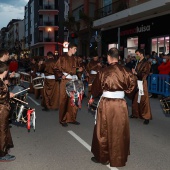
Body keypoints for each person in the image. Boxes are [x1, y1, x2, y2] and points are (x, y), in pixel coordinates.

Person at [90, 47, 137, 167]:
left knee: (103, 130)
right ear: (119, 57)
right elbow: (132, 88)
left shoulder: (103, 71)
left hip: (106, 102)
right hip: (120, 103)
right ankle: (119, 157)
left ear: (109, 57)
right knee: (119, 130)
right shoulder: (127, 71)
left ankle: (103, 156)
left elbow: (96, 88)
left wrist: (92, 97)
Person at [54, 43, 83, 127]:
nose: (75, 50)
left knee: (74, 100)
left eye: (76, 49)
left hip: (74, 80)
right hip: (65, 81)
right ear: (70, 48)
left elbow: (77, 70)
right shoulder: (62, 58)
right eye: (75, 49)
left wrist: (79, 70)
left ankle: (72, 118)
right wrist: (60, 75)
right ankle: (62, 120)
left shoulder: (76, 58)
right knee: (64, 100)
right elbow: (56, 68)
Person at [130, 48, 152, 125]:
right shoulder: (137, 62)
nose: (136, 56)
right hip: (137, 82)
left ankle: (146, 117)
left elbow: (145, 73)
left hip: (142, 83)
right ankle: (135, 114)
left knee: (144, 99)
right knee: (136, 98)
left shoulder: (146, 63)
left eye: (137, 54)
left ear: (141, 54)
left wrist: (136, 73)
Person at [0, 62, 15, 162]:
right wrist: (10, 95)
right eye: (6, 71)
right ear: (4, 71)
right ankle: (2, 153)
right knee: (2, 130)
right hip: (1, 110)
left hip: (2, 109)